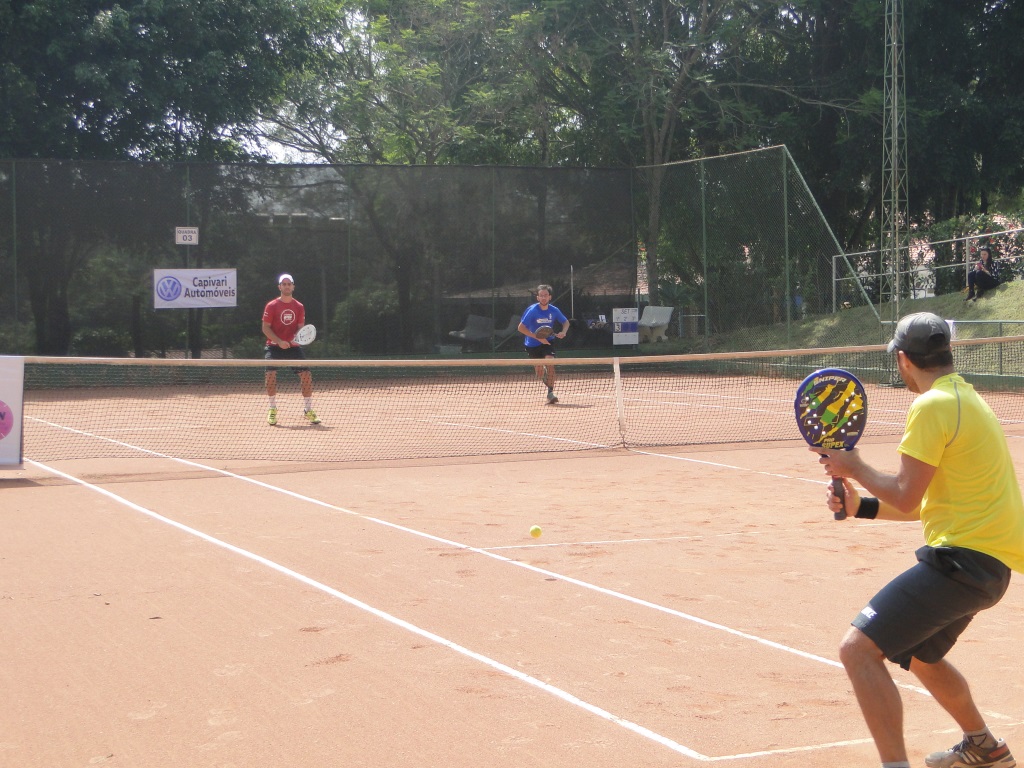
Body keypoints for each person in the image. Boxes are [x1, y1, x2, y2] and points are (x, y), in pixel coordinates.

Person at [813, 312, 1024, 768]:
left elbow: (907, 497)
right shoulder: (966, 398)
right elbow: (924, 502)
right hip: (989, 567)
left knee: (857, 650)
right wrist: (860, 506)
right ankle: (984, 746)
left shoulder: (931, 406)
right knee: (921, 655)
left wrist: (855, 467)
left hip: (962, 565)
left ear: (903, 360)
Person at [262, 273, 320, 426]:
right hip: (274, 346)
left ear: (293, 287)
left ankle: (308, 410)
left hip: (293, 347)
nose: (287, 286)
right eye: (284, 284)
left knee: (306, 375)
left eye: (289, 284)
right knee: (270, 374)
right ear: (279, 287)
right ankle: (272, 409)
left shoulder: (299, 307)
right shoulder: (271, 306)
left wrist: (293, 340)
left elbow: (301, 330)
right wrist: (279, 341)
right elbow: (265, 328)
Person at [517, 284, 569, 404]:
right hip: (531, 344)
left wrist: (563, 332)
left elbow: (565, 322)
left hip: (548, 341)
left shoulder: (554, 310)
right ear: (538, 298)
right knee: (539, 372)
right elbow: (520, 328)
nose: (543, 298)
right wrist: (538, 338)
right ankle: (543, 372)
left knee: (550, 362)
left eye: (546, 295)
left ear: (550, 297)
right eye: (541, 296)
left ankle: (550, 393)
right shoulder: (532, 311)